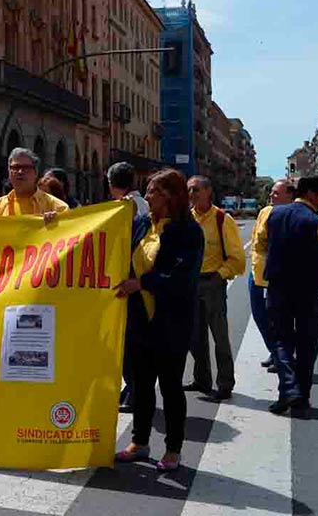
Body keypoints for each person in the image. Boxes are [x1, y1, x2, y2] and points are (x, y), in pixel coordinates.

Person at [114, 169, 204, 472]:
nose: (147, 196)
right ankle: (139, 442)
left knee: (170, 386)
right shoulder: (141, 225)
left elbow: (181, 278)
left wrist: (141, 283)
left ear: (169, 196)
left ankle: (173, 449)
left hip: (171, 320)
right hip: (139, 319)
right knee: (140, 384)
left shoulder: (188, 232)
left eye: (152, 191)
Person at [260, 175, 318, 417]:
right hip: (309, 292)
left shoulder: (274, 215)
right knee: (307, 344)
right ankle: (300, 397)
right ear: (311, 193)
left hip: (278, 288)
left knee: (281, 341)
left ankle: (288, 391)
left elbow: (262, 243)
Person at [185, 175, 246, 401]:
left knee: (219, 336)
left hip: (213, 283)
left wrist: (219, 277)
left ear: (208, 191)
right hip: (191, 284)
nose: (191, 194)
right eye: (189, 190)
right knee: (195, 336)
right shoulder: (186, 218)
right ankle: (201, 379)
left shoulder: (222, 219)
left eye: (195, 190)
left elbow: (237, 258)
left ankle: (225, 383)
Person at [249, 180, 295, 372]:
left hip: (277, 276)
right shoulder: (265, 211)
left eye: (276, 193)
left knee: (279, 320)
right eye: (271, 192)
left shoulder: (293, 214)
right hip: (257, 273)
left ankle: (284, 356)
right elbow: (256, 239)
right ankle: (274, 351)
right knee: (260, 316)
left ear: (290, 196)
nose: (271, 195)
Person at [0, 148, 68, 222]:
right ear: (9, 172)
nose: (20, 172)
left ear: (35, 172)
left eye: (26, 168)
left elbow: (68, 231)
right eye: (16, 167)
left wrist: (55, 225)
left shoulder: (58, 208)